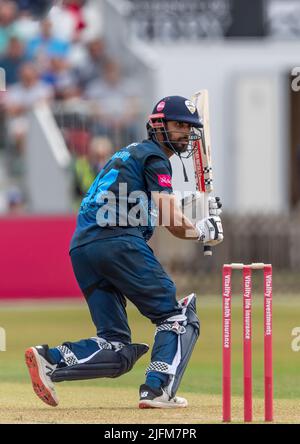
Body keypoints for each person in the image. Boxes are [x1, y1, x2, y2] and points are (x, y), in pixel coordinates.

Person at [25, 95, 223, 409]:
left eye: (189, 127)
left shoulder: (129, 154)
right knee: (176, 317)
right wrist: (202, 231)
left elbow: (146, 207)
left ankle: (50, 359)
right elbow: (170, 218)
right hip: (119, 243)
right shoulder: (156, 158)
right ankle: (158, 390)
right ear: (158, 126)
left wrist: (199, 214)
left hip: (83, 248)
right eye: (178, 125)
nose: (185, 132)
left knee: (116, 346)